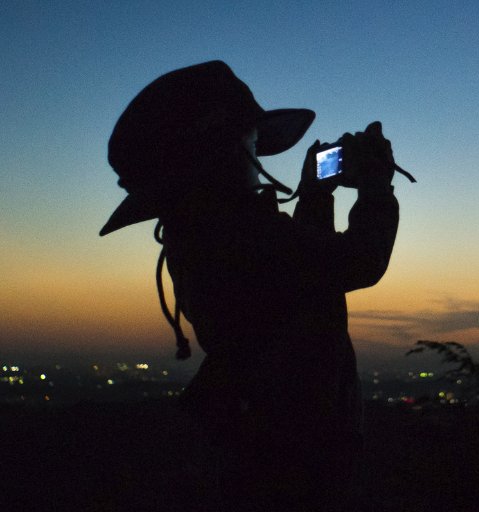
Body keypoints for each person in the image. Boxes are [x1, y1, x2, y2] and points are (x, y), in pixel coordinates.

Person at [100, 60, 399, 511]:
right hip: (292, 462)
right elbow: (359, 261)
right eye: (252, 144)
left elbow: (302, 278)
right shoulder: (242, 232)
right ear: (224, 153)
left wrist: (315, 194)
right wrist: (376, 187)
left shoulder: (198, 234)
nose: (257, 160)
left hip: (253, 444)